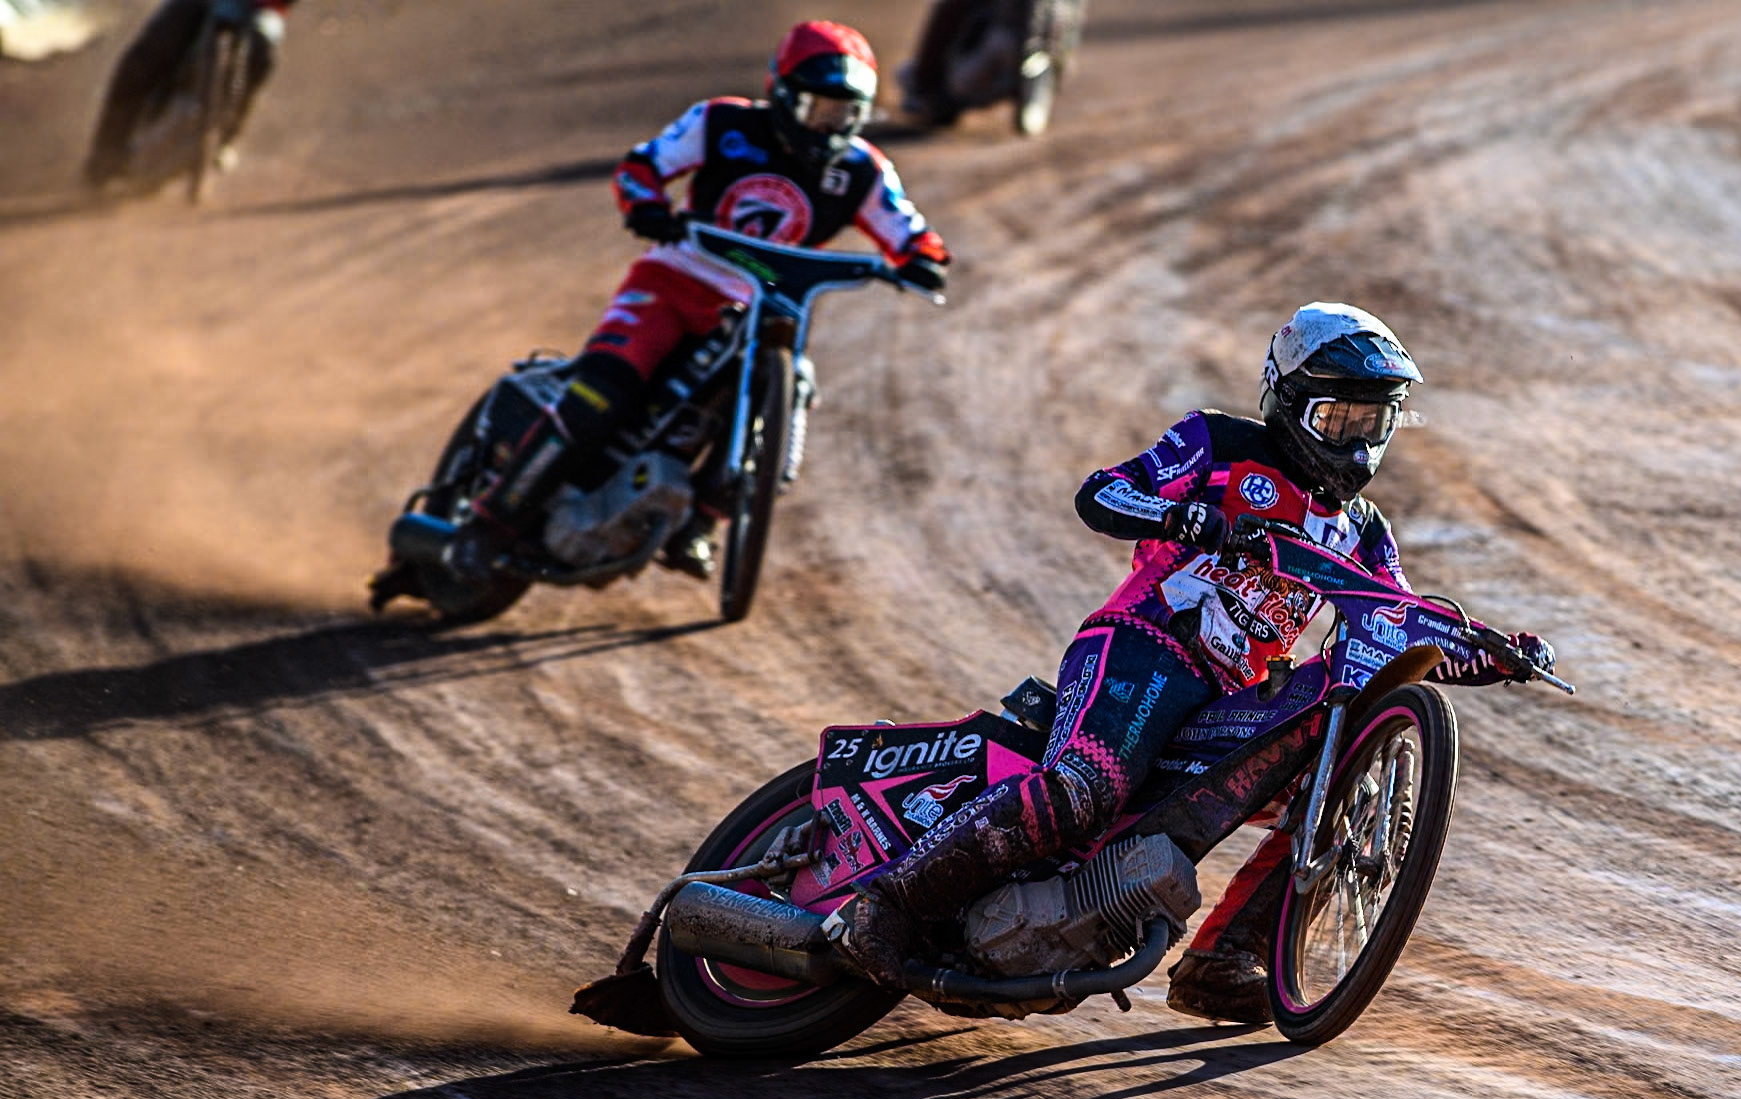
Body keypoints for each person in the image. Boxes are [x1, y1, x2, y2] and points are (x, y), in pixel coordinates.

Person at [830, 302, 1555, 1021]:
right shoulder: (1218, 441)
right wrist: (1180, 516)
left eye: (1375, 424)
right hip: (1145, 645)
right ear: (1291, 402)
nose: (1358, 447)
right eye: (1340, 421)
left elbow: (1394, 616)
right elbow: (1102, 492)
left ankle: (1223, 958)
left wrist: (1494, 650)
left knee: (1327, 792)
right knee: (1084, 788)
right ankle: (887, 905)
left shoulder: (1366, 534)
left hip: (1227, 700)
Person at [439, 19, 951, 586]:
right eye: (818, 109)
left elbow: (911, 232)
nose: (830, 126)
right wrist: (646, 205)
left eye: (845, 113)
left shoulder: (862, 170)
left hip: (764, 312)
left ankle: (701, 526)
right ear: (782, 93)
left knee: (783, 402)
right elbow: (642, 167)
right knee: (601, 389)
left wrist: (924, 259)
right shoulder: (720, 122)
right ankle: (486, 524)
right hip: (672, 282)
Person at [84, 0, 294, 188]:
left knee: (261, 57)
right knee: (146, 57)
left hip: (261, 8)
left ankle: (228, 137)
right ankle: (106, 153)